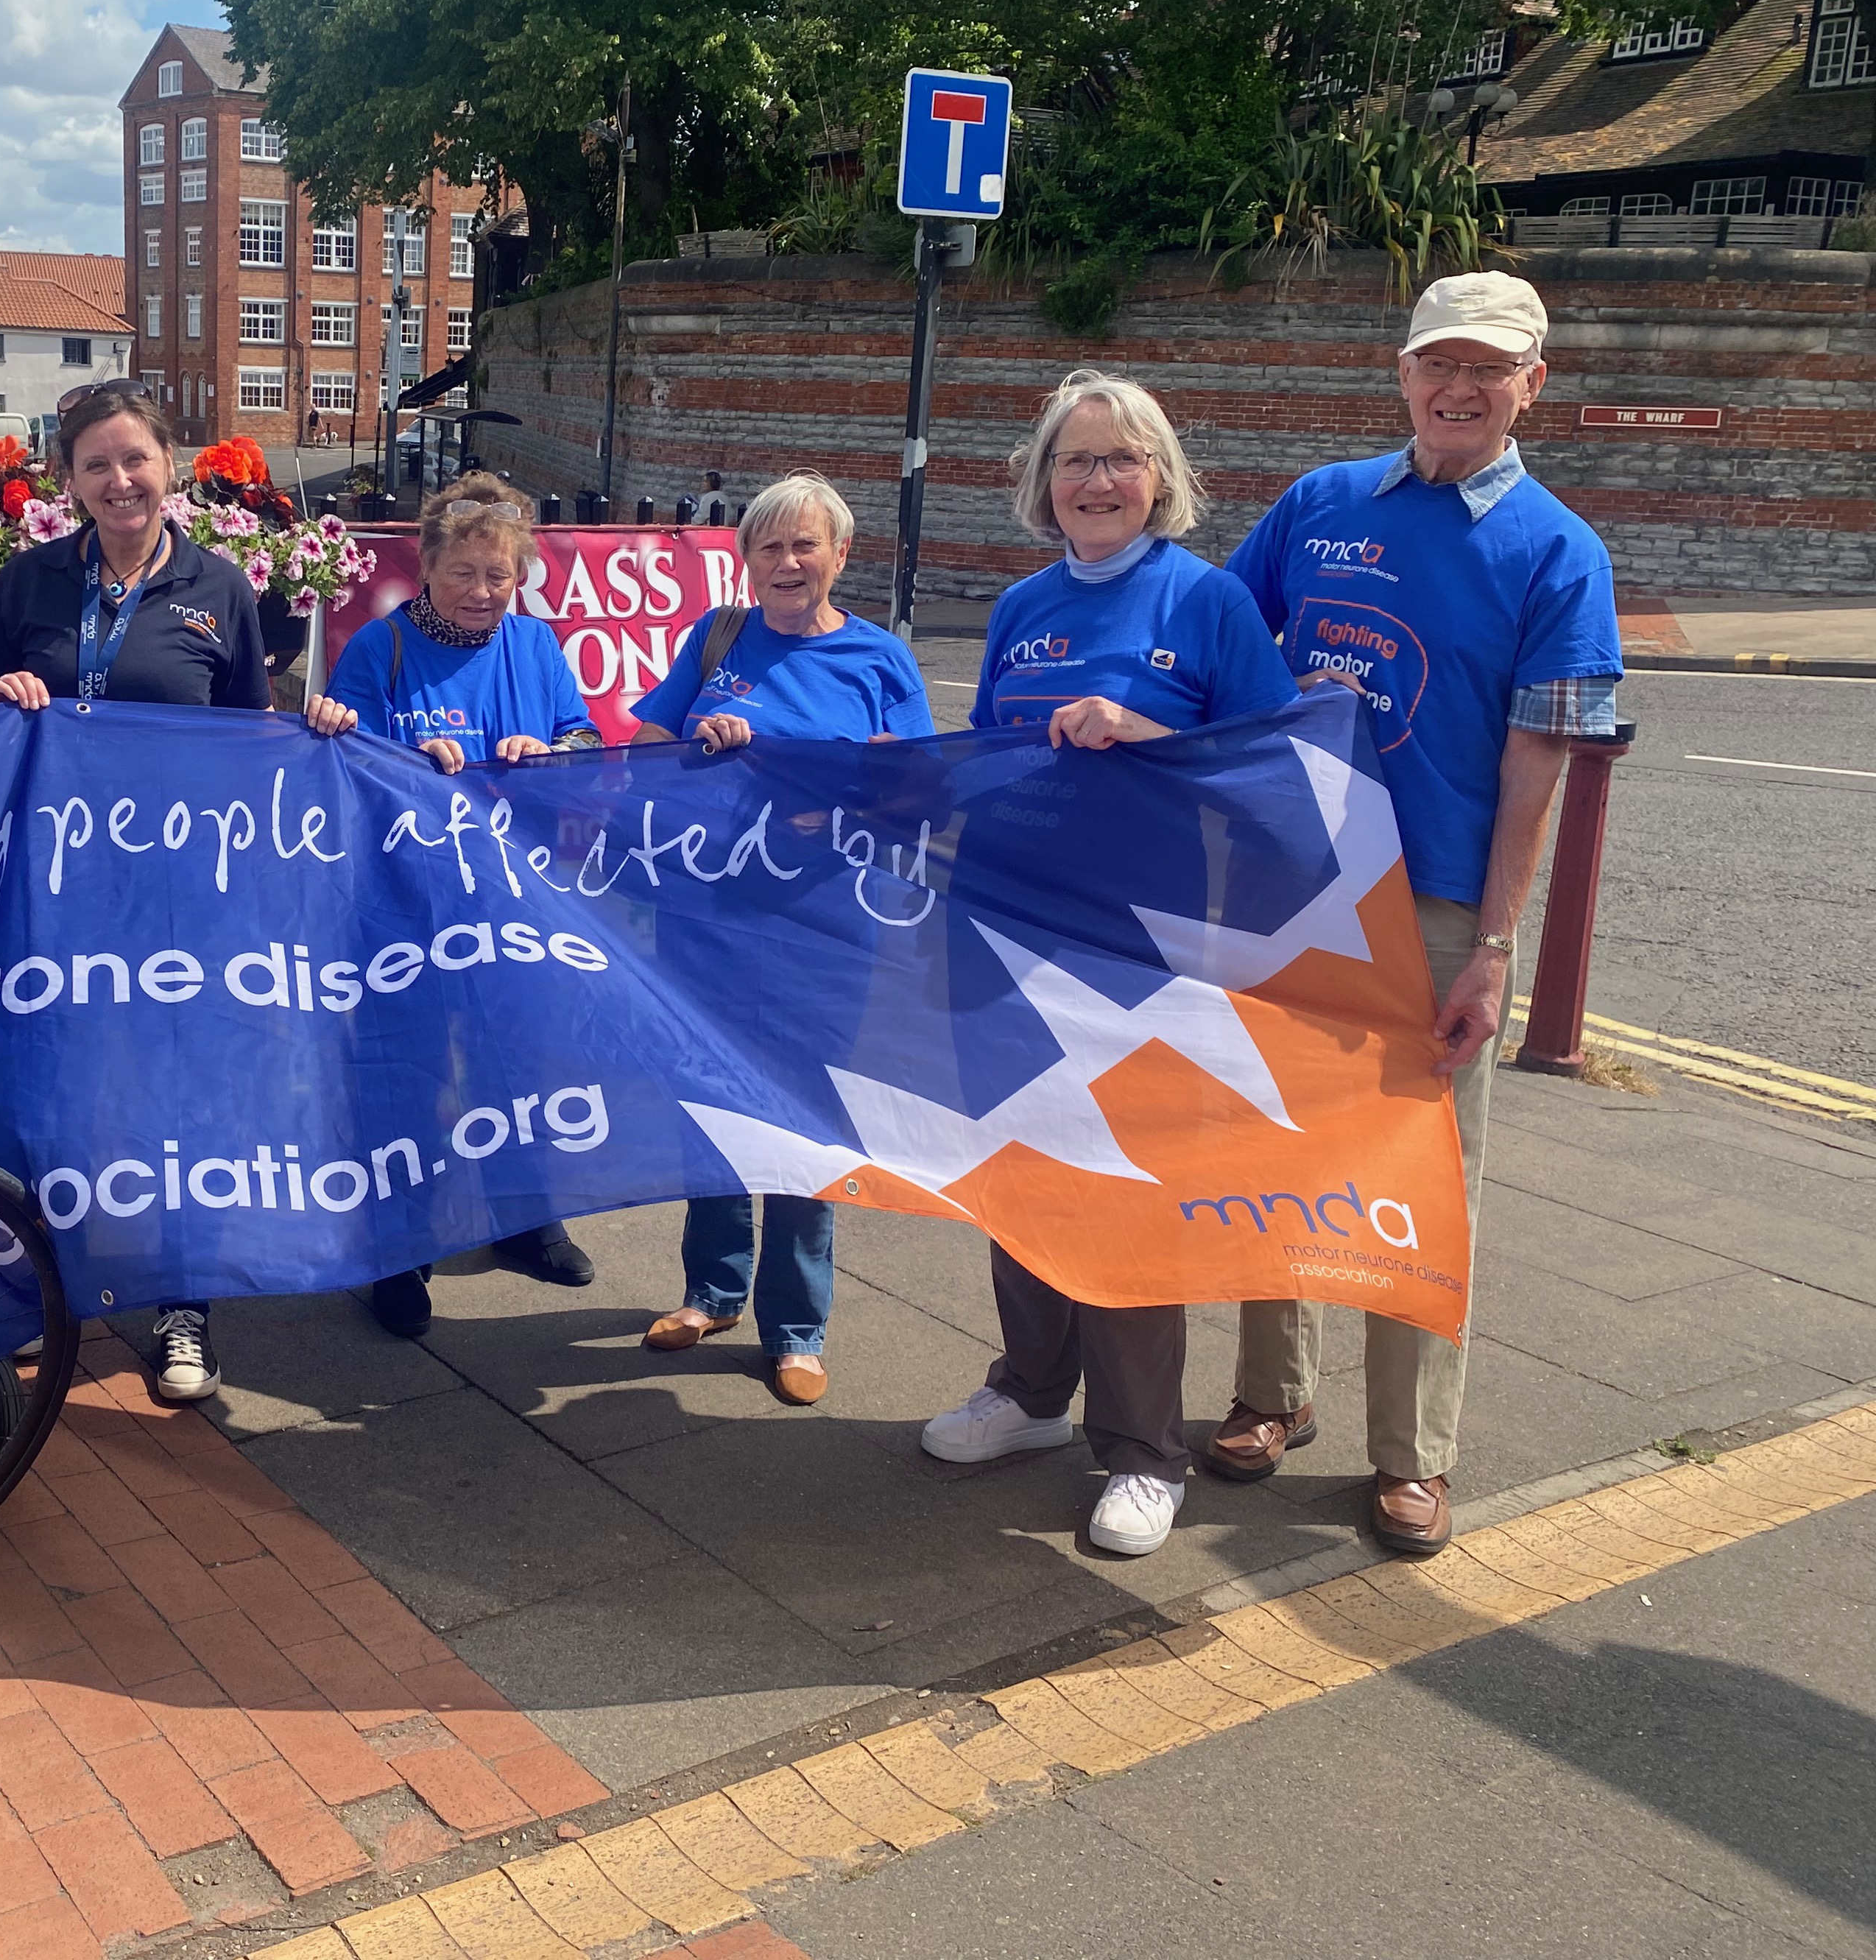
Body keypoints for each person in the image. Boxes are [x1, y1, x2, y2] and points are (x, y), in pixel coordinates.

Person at [1216, 272, 1623, 1557]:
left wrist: (1494, 945)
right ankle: (1272, 1391)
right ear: (1400, 374)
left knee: (1419, 1179)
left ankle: (1415, 1455)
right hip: (1294, 887)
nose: (1458, 387)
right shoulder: (1319, 503)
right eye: (1436, 363)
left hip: (1437, 905)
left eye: (1487, 369)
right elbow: (1221, 646)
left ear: (1531, 384)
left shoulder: (1559, 550)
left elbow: (1536, 765)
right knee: (1277, 1146)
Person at [919, 371, 1297, 1556]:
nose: (1098, 480)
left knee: (1129, 1189)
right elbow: (991, 759)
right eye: (1076, 461)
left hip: (1145, 948)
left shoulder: (1208, 600)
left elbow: (1279, 771)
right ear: (1043, 482)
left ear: (1161, 479)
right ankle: (1033, 1395)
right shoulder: (1024, 602)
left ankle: (1142, 1450)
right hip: (1014, 929)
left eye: (1123, 460)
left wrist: (1149, 735)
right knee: (1024, 1173)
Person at [0, 379, 352, 1403]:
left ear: (168, 465)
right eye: (97, 463)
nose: (119, 479)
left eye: (135, 458)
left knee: (181, 1096)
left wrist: (309, 734)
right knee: (57, 1086)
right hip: (50, 887)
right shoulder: (29, 582)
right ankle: (49, 1293)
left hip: (180, 892)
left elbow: (245, 743)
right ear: (71, 481)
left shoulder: (219, 588)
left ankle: (183, 1308)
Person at [629, 472, 933, 1406]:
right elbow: (642, 747)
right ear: (746, 560)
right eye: (769, 546)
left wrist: (854, 786)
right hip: (711, 920)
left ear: (841, 557)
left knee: (807, 1124)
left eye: (807, 546)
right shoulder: (717, 639)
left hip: (825, 929)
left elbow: (922, 791)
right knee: (715, 1107)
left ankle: (797, 1326)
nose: (788, 562)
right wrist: (697, 743)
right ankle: (711, 1292)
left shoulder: (881, 660)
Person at [307, 473, 605, 1335]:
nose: (482, 593)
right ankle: (399, 1247)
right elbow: (342, 765)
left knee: (518, 1061)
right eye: (464, 574)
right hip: (402, 905)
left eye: (499, 576)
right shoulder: (379, 649)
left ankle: (525, 1217)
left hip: (511, 900)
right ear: (428, 569)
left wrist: (546, 749)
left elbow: (583, 740)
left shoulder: (537, 648)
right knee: (409, 1074)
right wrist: (403, 756)